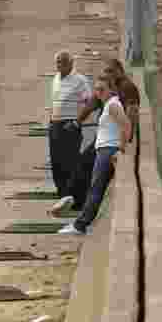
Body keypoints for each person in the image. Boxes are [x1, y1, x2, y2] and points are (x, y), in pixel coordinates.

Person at [59, 74, 132, 235]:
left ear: (111, 90)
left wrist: (121, 150)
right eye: (96, 89)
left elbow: (126, 126)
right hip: (104, 150)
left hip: (107, 151)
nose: (98, 93)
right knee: (95, 188)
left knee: (95, 189)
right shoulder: (109, 104)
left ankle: (80, 225)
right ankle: (81, 223)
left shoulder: (113, 105)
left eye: (102, 89)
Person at [48, 51, 92, 199]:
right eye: (58, 62)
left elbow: (89, 103)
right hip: (55, 124)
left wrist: (77, 121)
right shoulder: (55, 79)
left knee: (70, 161)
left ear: (71, 63)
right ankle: (61, 193)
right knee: (56, 161)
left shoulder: (80, 80)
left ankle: (73, 194)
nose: (59, 65)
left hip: (70, 125)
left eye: (63, 62)